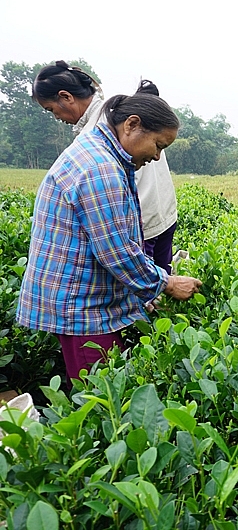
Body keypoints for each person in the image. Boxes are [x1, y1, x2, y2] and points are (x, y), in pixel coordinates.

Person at [16, 93, 202, 382]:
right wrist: (166, 283)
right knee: (102, 399)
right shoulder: (99, 169)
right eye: (158, 145)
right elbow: (116, 251)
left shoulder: (99, 152)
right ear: (131, 124)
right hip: (80, 309)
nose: (156, 156)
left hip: (83, 300)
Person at [32, 61, 179, 273]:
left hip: (141, 228)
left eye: (51, 109)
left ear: (66, 97)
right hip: (162, 216)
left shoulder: (98, 132)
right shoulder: (118, 111)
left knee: (146, 295)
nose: (56, 117)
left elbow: (116, 254)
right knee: (159, 290)